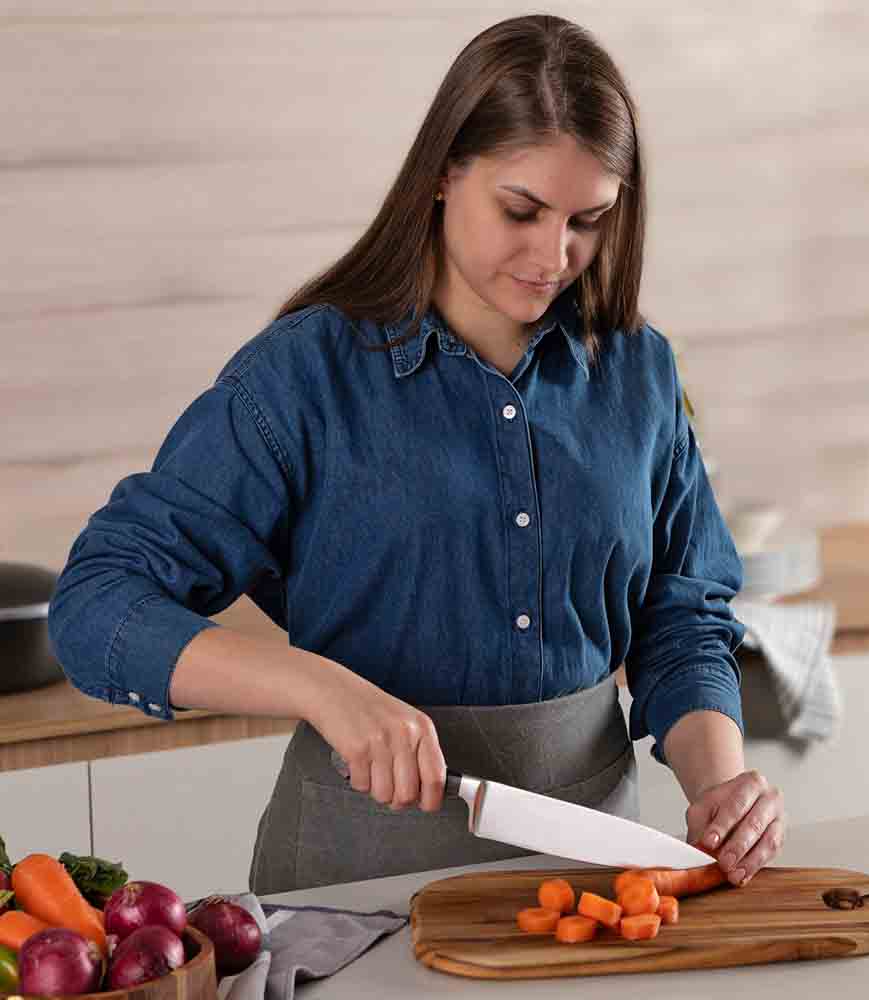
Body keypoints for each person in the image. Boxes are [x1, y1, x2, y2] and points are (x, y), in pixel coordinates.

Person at [48, 14, 785, 893]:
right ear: (442, 174)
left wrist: (718, 784)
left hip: (598, 876)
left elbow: (681, 611)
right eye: (521, 209)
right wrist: (319, 687)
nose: (555, 255)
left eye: (589, 220)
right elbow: (97, 606)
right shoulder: (303, 376)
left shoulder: (637, 370)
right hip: (351, 886)